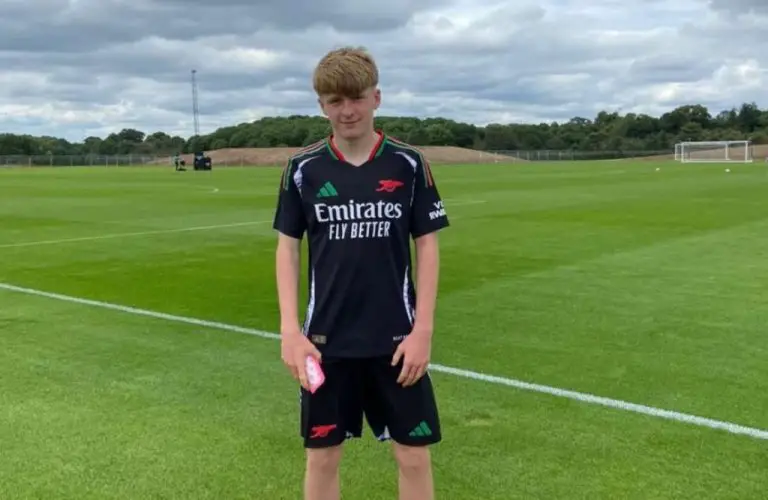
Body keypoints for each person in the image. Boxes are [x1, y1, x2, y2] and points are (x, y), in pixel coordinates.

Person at [272, 46, 450, 500]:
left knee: (413, 454)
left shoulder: (407, 164)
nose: (347, 111)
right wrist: (290, 331)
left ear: (377, 97)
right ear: (321, 106)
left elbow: (427, 244)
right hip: (324, 344)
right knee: (323, 455)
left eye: (356, 98)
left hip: (397, 342)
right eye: (335, 101)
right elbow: (288, 247)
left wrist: (423, 329)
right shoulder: (302, 169)